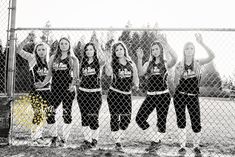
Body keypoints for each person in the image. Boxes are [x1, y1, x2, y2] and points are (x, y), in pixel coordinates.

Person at [173, 33, 215, 156]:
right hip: (180, 95)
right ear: (184, 51)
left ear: (194, 50)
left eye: (191, 48)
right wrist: (177, 73)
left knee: (196, 122)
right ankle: (182, 146)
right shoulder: (180, 64)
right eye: (187, 48)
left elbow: (212, 56)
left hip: (193, 96)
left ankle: (196, 146)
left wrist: (201, 43)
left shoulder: (198, 62)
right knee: (181, 121)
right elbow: (175, 83)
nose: (189, 50)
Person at [135, 34, 177, 152]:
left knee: (161, 123)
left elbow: (175, 57)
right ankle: (155, 140)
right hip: (151, 96)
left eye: (157, 49)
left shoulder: (165, 63)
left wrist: (166, 44)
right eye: (152, 49)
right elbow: (141, 73)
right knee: (140, 118)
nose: (154, 51)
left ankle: (155, 143)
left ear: (161, 50)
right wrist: (139, 58)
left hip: (163, 96)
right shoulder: (148, 63)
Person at [35, 37, 79, 147]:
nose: (63, 45)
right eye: (61, 43)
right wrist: (43, 84)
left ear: (69, 45)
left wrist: (73, 85)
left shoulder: (73, 59)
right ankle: (54, 137)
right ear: (59, 45)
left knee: (66, 114)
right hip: (55, 89)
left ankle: (64, 139)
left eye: (66, 43)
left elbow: (76, 76)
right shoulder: (53, 58)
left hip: (67, 90)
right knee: (49, 112)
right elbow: (49, 74)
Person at [105, 41, 139, 151]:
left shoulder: (131, 63)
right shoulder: (113, 63)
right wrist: (107, 61)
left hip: (126, 95)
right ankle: (118, 142)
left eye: (121, 49)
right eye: (116, 50)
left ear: (124, 50)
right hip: (114, 94)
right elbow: (108, 73)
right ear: (114, 53)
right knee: (114, 118)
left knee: (126, 120)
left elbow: (136, 78)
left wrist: (136, 85)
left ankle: (118, 135)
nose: (119, 51)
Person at [17, 34, 50, 146]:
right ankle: (35, 137)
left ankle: (39, 136)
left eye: (43, 49)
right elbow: (18, 50)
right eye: (39, 49)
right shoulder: (32, 59)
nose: (41, 51)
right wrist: (27, 39)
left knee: (46, 115)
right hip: (35, 92)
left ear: (46, 50)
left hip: (48, 91)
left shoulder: (49, 61)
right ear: (36, 51)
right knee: (38, 113)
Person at [77, 42, 105, 150]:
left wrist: (98, 45)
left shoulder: (98, 62)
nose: (89, 51)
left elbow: (104, 59)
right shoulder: (83, 62)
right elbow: (80, 76)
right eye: (87, 49)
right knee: (84, 118)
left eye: (91, 49)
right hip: (83, 93)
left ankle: (94, 140)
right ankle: (87, 140)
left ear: (94, 51)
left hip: (95, 93)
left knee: (93, 118)